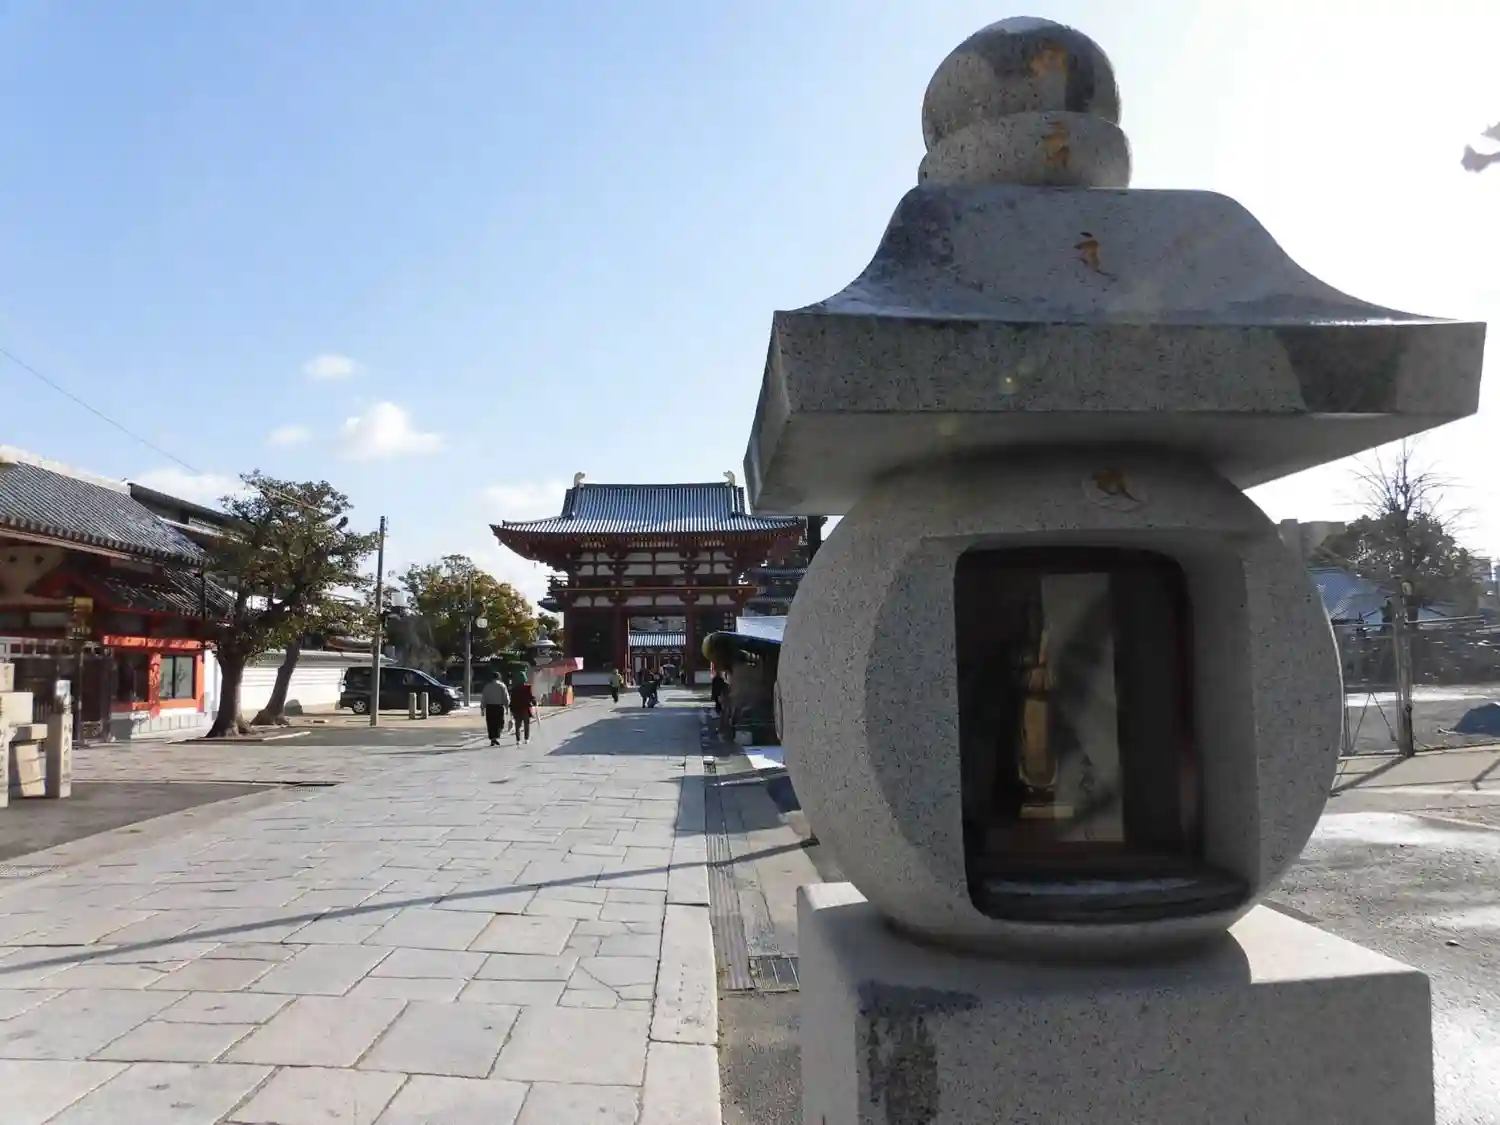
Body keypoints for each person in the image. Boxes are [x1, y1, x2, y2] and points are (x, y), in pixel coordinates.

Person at [480, 675, 511, 745]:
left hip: (489, 707)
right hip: (498, 707)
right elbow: (506, 697)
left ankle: (492, 738)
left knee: (490, 723)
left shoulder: (487, 686)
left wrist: (482, 709)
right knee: (499, 723)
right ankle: (496, 736)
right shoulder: (502, 686)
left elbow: (483, 698)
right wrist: (507, 708)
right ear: (498, 677)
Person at [510, 675, 536, 744]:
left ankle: (518, 740)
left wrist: (511, 709)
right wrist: (534, 702)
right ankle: (526, 738)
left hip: (516, 709)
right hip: (525, 708)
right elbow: (531, 697)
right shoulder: (528, 688)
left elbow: (512, 699)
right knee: (526, 724)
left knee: (517, 725)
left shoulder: (514, 688)